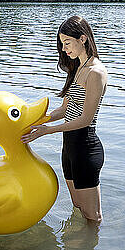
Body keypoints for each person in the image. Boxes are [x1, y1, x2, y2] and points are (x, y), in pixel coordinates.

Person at [21, 15, 107, 223]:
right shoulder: (77, 68)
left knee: (92, 217)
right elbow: (66, 109)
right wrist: (37, 122)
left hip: (85, 148)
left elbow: (86, 119)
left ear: (83, 39)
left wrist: (47, 131)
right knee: (78, 209)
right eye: (62, 44)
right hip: (69, 148)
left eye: (67, 43)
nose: (64, 49)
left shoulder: (96, 72)